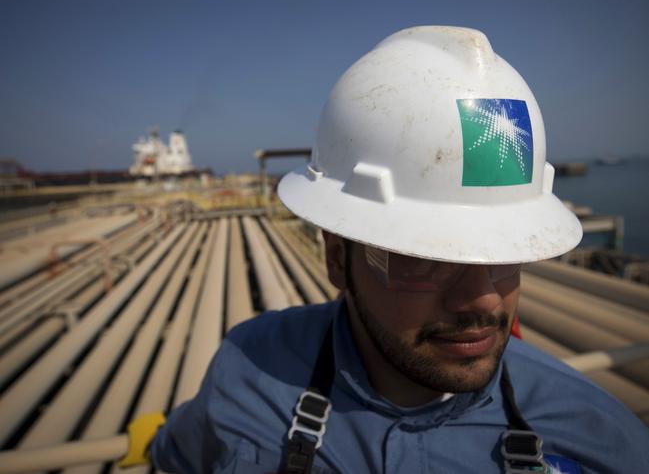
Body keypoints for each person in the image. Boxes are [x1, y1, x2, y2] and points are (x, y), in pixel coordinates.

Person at [135, 26, 649, 473]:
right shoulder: (249, 373)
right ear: (338, 257)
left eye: (505, 253)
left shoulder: (595, 436)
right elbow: (180, 452)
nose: (484, 301)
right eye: (426, 260)